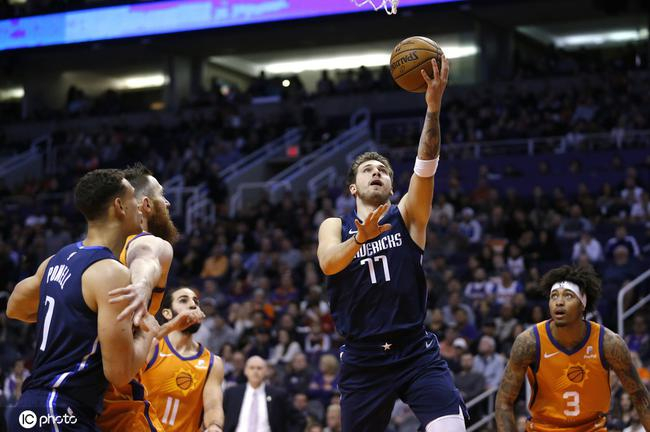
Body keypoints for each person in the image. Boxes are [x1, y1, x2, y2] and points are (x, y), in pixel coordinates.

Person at [318, 56, 466, 432]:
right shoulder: (335, 225)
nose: (377, 173)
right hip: (363, 359)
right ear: (353, 188)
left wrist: (433, 109)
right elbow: (329, 263)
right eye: (368, 170)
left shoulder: (408, 215)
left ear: (391, 184)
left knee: (451, 428)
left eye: (383, 170)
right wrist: (359, 240)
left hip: (415, 350)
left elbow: (426, 163)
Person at [5, 169, 152, 430]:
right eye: (133, 197)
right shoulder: (111, 272)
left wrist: (71, 311)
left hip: (37, 408)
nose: (140, 205)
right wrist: (148, 333)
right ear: (119, 206)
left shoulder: (56, 259)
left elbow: (14, 307)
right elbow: (119, 373)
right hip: (59, 409)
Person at [495, 264, 650, 431]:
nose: (559, 302)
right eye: (554, 296)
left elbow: (638, 394)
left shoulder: (608, 343)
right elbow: (504, 401)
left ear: (583, 303)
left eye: (568, 296)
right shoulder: (529, 342)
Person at [97, 163, 181, 432]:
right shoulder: (147, 241)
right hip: (118, 403)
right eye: (161, 195)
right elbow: (146, 258)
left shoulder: (88, 255)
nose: (167, 202)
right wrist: (142, 286)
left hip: (76, 397)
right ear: (145, 205)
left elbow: (17, 308)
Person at [142, 286, 225, 432]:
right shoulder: (152, 347)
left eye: (196, 302)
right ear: (167, 313)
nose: (193, 305)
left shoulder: (212, 363)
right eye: (183, 300)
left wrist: (214, 426)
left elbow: (213, 407)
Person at [222, 355, 306, 432]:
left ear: (266, 371)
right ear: (245, 371)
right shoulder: (232, 393)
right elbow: (219, 416)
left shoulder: (278, 395)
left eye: (259, 368)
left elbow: (300, 420)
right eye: (252, 368)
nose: (255, 371)